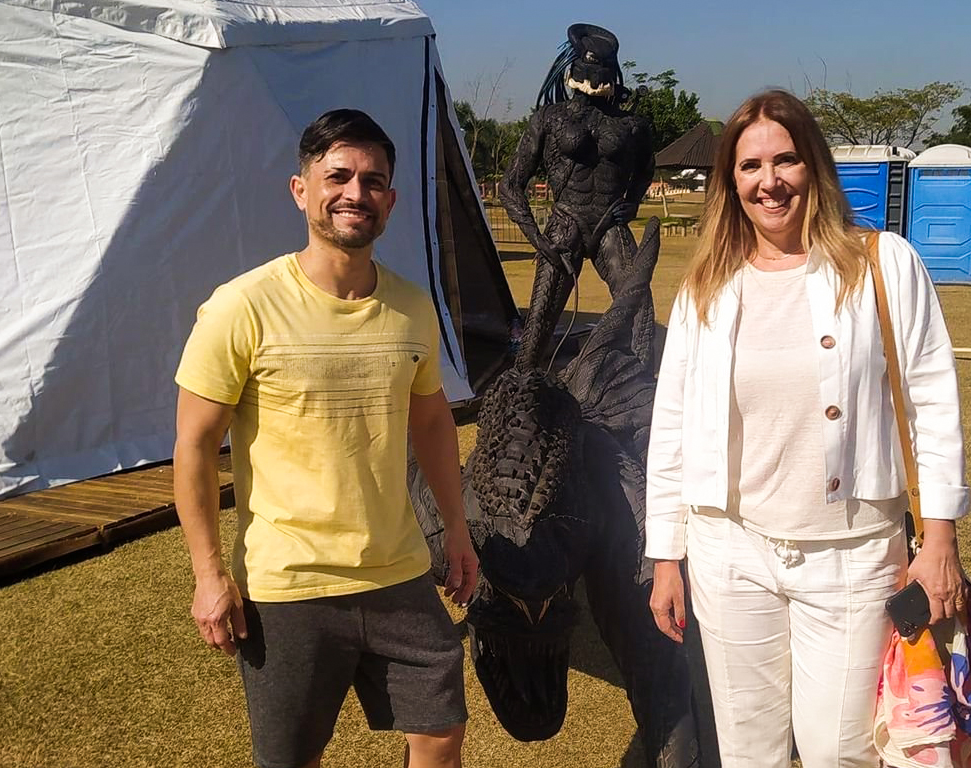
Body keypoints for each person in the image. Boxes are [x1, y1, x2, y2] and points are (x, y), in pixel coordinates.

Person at [644, 90, 970, 768]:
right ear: (730, 182)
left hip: (852, 554)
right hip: (730, 551)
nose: (769, 181)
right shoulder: (706, 285)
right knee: (747, 750)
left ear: (813, 167)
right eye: (750, 166)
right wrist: (666, 555)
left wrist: (939, 538)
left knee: (842, 752)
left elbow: (933, 401)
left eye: (786, 160)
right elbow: (671, 421)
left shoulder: (882, 263)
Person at [173, 109, 478, 768]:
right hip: (290, 585)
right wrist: (208, 575)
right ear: (301, 189)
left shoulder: (411, 307)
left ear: (390, 200)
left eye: (373, 181)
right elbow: (195, 447)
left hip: (398, 573)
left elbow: (429, 422)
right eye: (338, 175)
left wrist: (456, 528)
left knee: (441, 733)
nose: (355, 193)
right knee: (290, 757)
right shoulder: (242, 306)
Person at [499, 23, 656, 370]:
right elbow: (510, 185)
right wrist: (536, 238)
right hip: (565, 224)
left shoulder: (633, 126)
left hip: (608, 224)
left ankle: (641, 392)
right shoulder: (548, 119)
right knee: (540, 320)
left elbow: (646, 169)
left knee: (640, 309)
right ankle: (522, 395)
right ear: (574, 69)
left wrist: (632, 203)